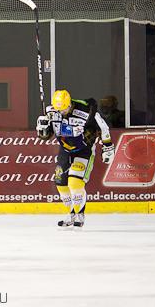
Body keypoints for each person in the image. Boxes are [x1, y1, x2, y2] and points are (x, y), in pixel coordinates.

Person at [36, 89, 114, 228]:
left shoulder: (86, 111)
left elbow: (103, 127)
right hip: (65, 150)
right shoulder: (51, 112)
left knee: (75, 182)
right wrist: (42, 129)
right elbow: (46, 136)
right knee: (60, 182)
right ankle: (71, 214)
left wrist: (107, 147)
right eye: (58, 108)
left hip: (84, 150)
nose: (61, 112)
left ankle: (80, 215)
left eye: (64, 108)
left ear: (70, 103)